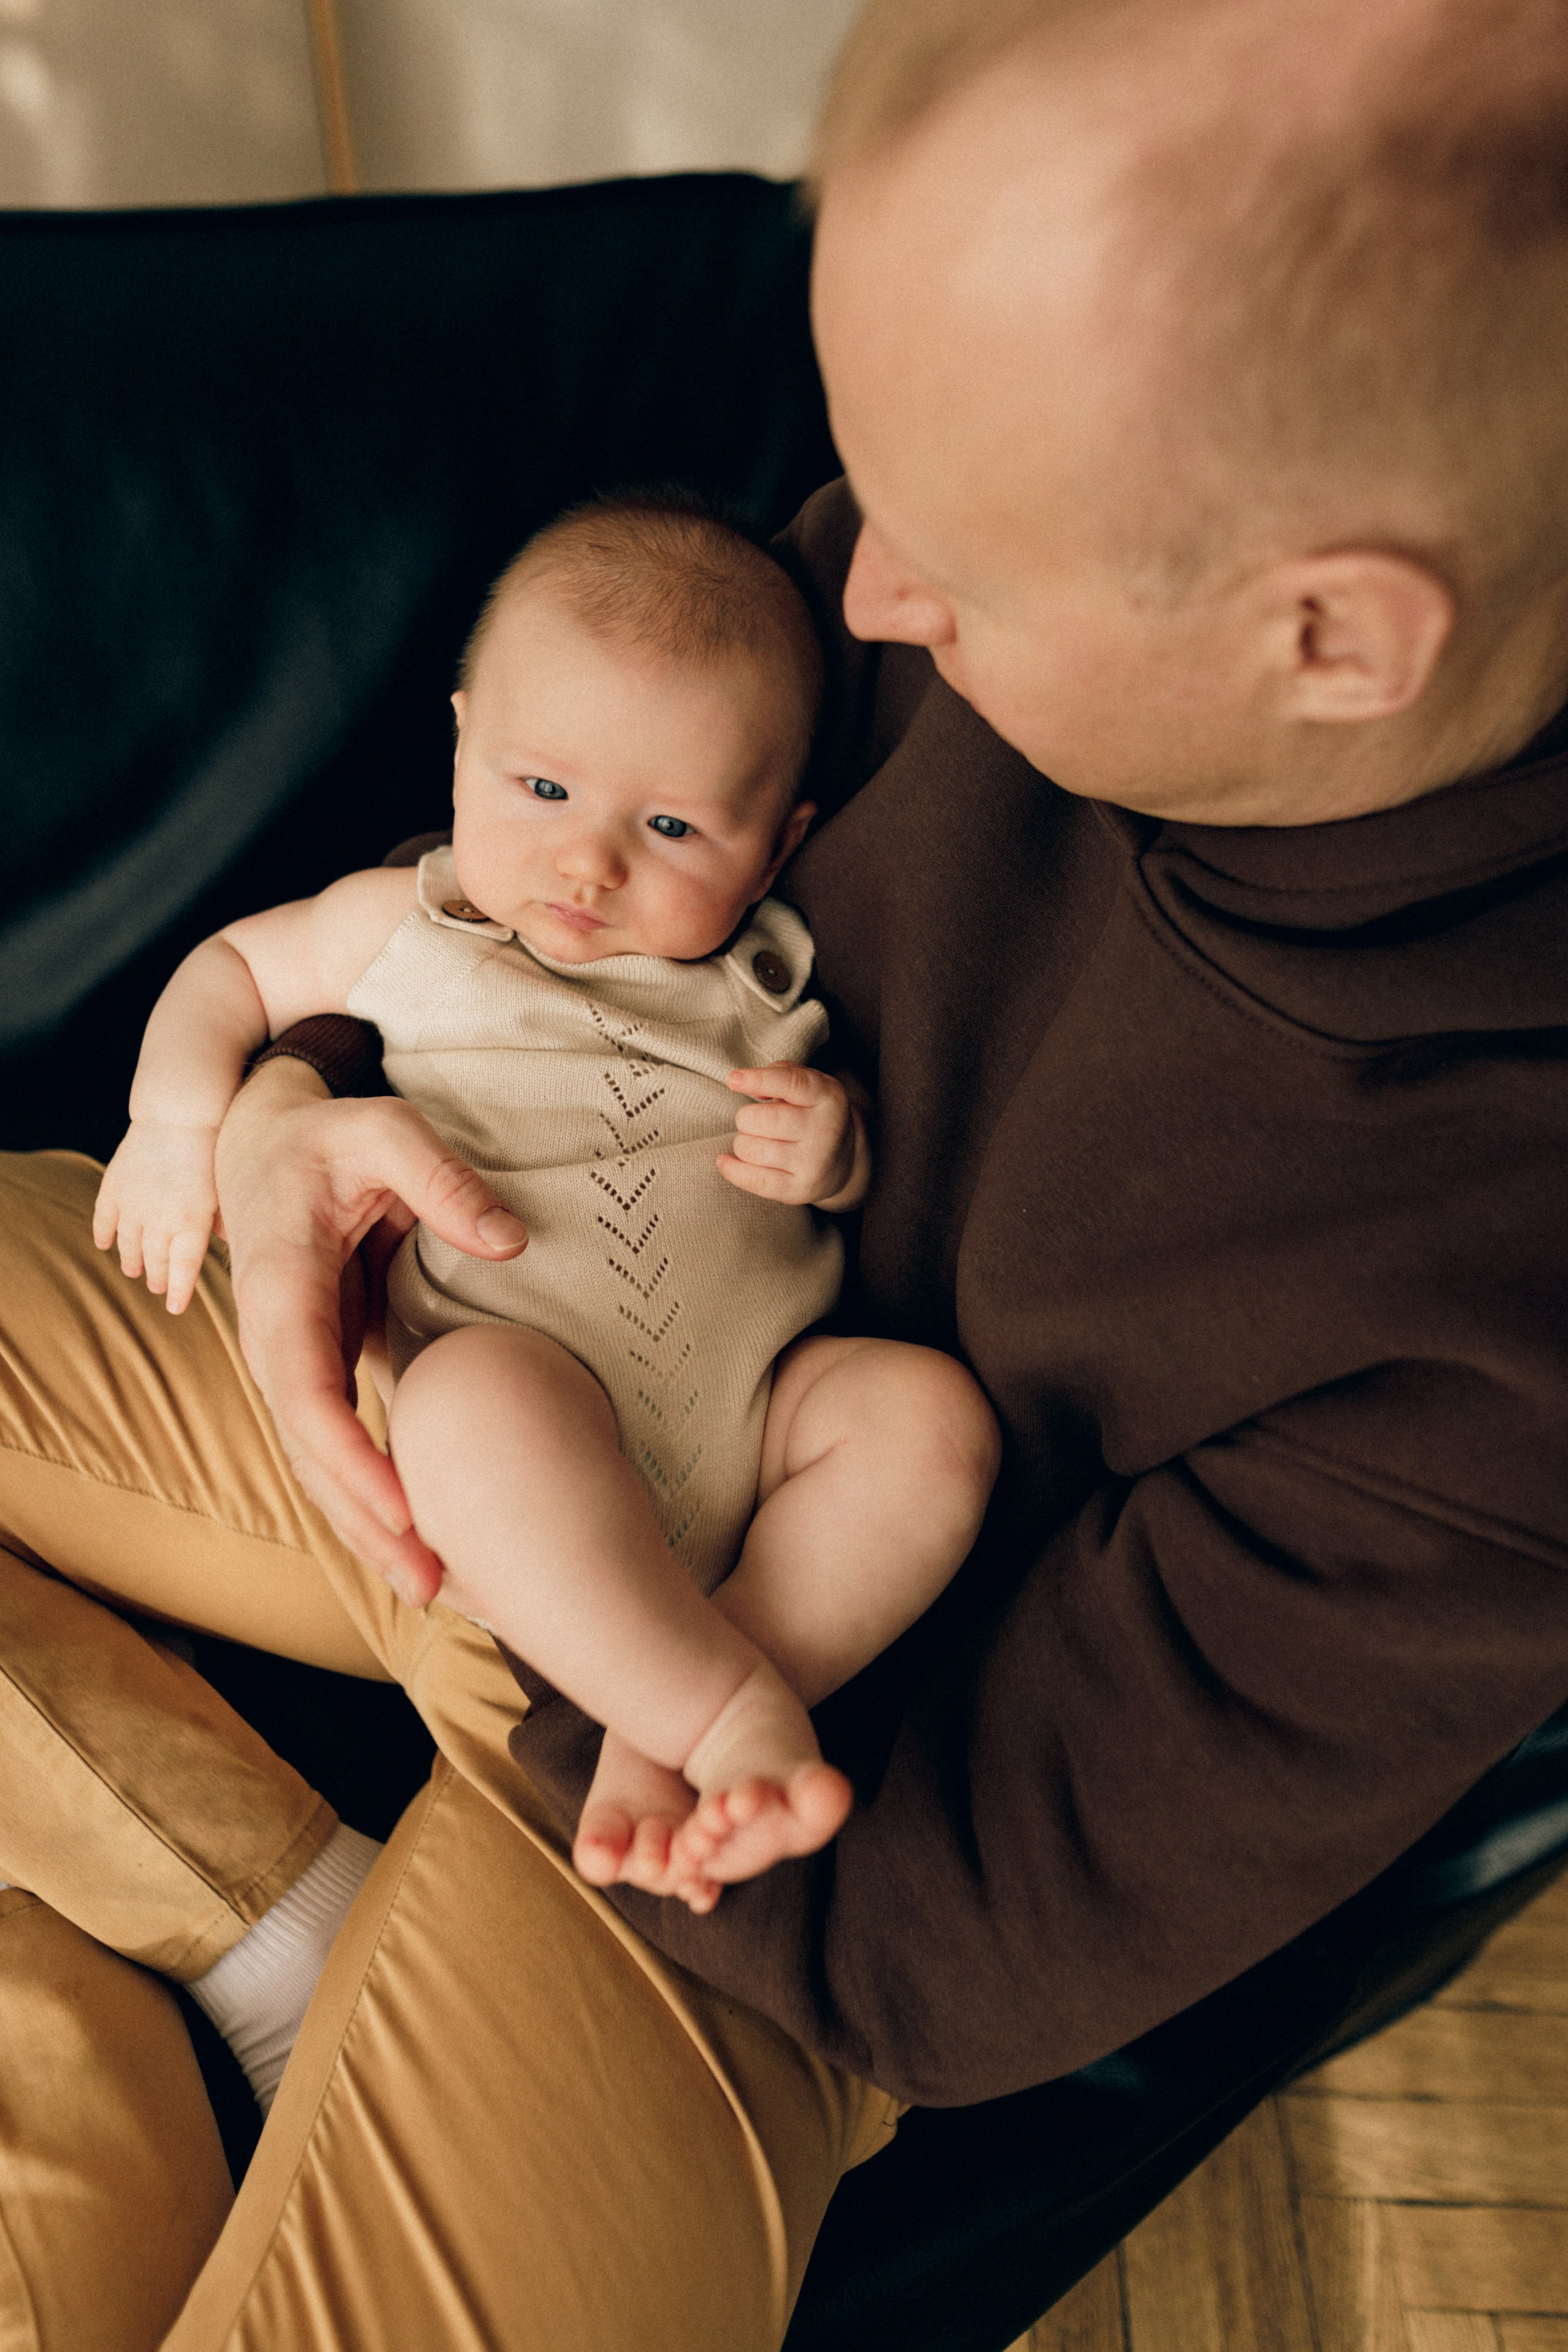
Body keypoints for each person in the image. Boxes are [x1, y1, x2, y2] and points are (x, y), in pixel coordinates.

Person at [4, 0, 1568, 2344]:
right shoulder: (1007, 556)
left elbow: (979, 1925)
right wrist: (281, 1128)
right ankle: (247, 1922)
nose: (855, 603)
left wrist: (639, 1674)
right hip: (440, 1370)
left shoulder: (1497, 1306)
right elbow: (542, 865)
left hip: (719, 1824)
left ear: (1330, 633)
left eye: (950, 557)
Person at [91, 494, 998, 1907]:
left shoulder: (765, 977)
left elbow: (849, 1155)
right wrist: (177, 1122)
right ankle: (715, 1717)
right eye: (543, 791)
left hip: (760, 1411)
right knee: (465, 1412)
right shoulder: (415, 928)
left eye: (675, 826)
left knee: (927, 1426)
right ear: (461, 744)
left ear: (777, 846)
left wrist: (834, 1150)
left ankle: (699, 1690)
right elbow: (234, 973)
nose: (590, 862)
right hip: (525, 1393)